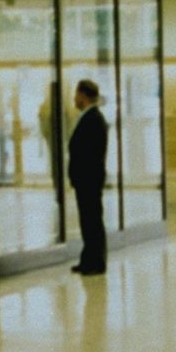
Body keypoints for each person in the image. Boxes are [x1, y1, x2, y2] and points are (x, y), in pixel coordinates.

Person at [68, 78, 108, 275]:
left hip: (89, 179)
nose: (74, 98)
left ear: (83, 95)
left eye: (76, 94)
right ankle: (88, 258)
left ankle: (95, 261)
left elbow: (88, 152)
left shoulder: (93, 119)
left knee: (92, 220)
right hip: (87, 179)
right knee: (88, 220)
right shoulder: (89, 117)